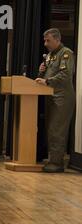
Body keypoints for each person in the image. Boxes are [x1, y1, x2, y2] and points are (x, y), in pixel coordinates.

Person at [36, 28, 76, 173]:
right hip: (51, 96)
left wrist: (47, 81)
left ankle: (57, 163)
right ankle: (53, 160)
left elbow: (65, 74)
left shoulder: (66, 53)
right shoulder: (50, 55)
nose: (45, 43)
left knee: (57, 130)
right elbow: (46, 74)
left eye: (48, 40)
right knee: (51, 129)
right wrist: (41, 71)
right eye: (45, 40)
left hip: (62, 97)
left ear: (57, 40)